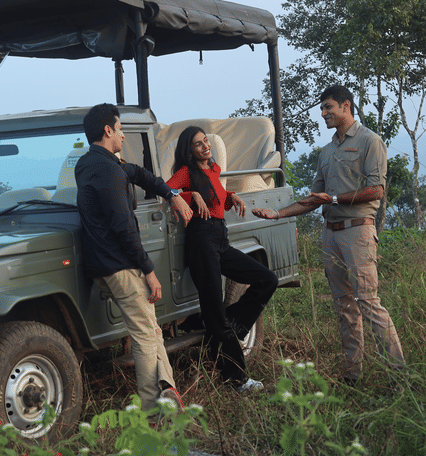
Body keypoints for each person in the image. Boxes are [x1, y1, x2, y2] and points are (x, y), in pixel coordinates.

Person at [253, 84, 405, 386]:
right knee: (344, 307)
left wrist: (334, 200)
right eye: (322, 109)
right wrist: (278, 214)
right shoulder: (327, 151)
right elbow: (314, 198)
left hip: (358, 232)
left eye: (328, 108)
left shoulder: (370, 141)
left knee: (368, 302)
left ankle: (400, 375)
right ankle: (353, 376)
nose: (323, 114)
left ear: (345, 106)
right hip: (331, 234)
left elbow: (377, 189)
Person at [75, 103, 192, 412]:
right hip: (119, 264)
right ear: (108, 130)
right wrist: (148, 269)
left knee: (151, 329)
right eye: (121, 129)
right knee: (144, 333)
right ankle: (153, 407)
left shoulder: (90, 164)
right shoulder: (107, 170)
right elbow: (123, 226)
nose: (124, 135)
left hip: (105, 263)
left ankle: (169, 392)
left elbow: (139, 174)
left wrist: (172, 195)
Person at [166, 126, 278, 392]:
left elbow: (216, 196)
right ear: (189, 151)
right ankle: (236, 380)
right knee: (216, 313)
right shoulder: (185, 172)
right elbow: (165, 190)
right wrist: (188, 195)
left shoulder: (214, 170)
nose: (206, 146)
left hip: (220, 238)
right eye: (198, 144)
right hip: (201, 240)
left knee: (267, 279)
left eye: (206, 141)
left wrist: (231, 196)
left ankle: (225, 328)